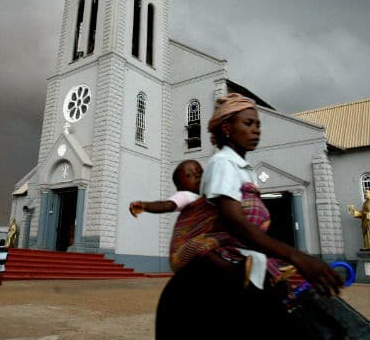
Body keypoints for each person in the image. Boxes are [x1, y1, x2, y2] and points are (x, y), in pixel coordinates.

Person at [156, 93, 344, 339]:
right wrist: (299, 258)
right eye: (248, 123)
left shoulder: (246, 171)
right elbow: (237, 225)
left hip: (243, 257)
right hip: (218, 263)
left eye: (257, 124)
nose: (256, 130)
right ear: (226, 127)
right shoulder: (223, 163)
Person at [130, 159, 258, 288]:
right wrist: (145, 205)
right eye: (189, 175)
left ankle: (240, 268)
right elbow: (167, 205)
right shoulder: (186, 195)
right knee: (201, 246)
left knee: (223, 241)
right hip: (182, 253)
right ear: (180, 186)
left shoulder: (209, 197)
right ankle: (234, 270)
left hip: (203, 243)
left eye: (200, 173)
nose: (197, 176)